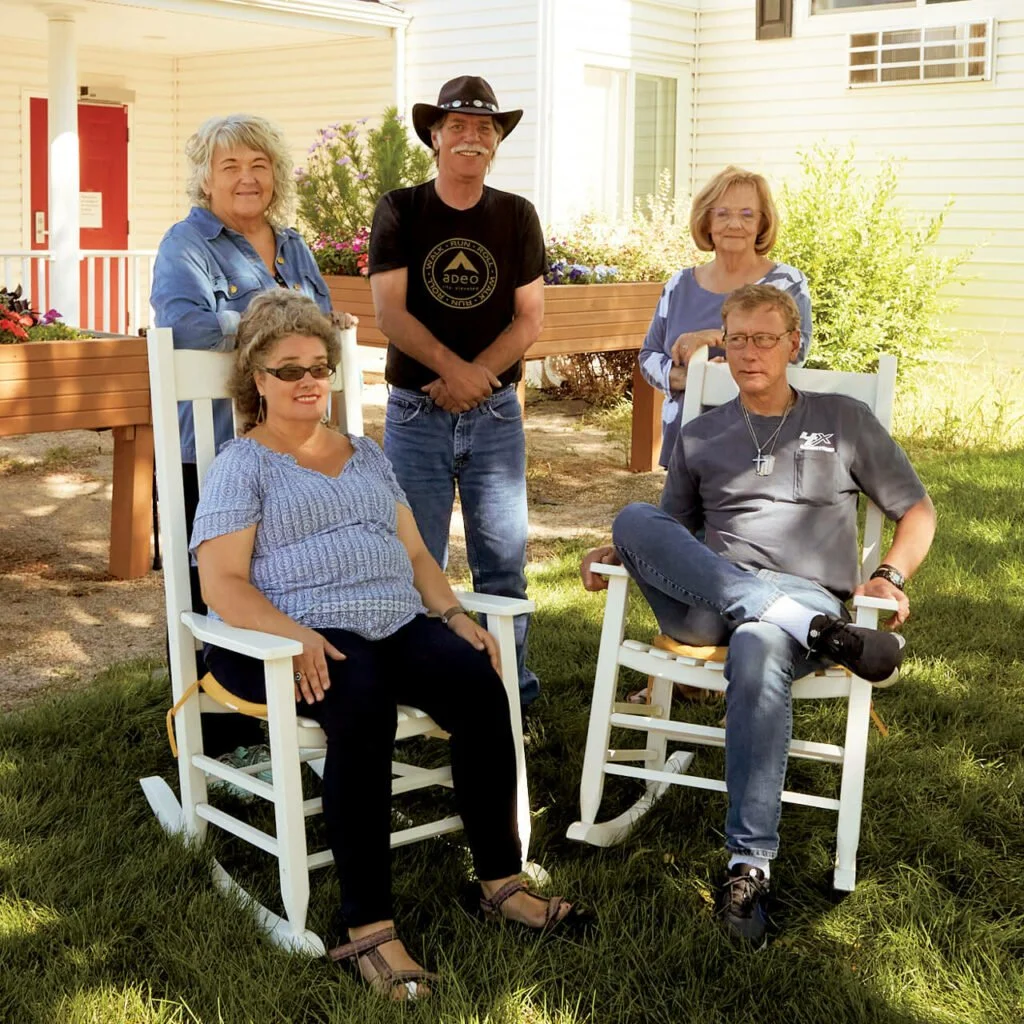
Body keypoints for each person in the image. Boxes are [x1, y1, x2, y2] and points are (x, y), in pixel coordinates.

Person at [190, 290, 580, 1001]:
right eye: (288, 370)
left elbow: (419, 557)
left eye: (318, 366)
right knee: (362, 705)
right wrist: (294, 633)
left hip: (394, 620)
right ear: (257, 380)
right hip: (295, 631)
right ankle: (368, 928)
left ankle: (501, 881)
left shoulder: (366, 454)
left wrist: (457, 617)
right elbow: (221, 583)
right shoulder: (242, 464)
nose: (308, 380)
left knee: (478, 680)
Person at [582, 284, 936, 948]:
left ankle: (749, 868)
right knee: (633, 517)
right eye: (736, 340)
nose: (748, 353)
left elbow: (918, 511)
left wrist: (888, 575)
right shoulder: (701, 432)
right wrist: (625, 546)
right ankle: (819, 633)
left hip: (795, 609)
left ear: (792, 344)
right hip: (708, 606)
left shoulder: (844, 419)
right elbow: (673, 534)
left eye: (764, 338)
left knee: (759, 644)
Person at [151, 113, 345, 766]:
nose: (246, 178)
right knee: (220, 589)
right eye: (230, 166)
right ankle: (219, 740)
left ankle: (291, 715)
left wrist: (282, 329)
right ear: (204, 178)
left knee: (285, 580)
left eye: (258, 165)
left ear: (276, 175)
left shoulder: (291, 245)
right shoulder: (186, 243)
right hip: (207, 453)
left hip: (291, 453)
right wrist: (274, 319)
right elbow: (186, 329)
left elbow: (323, 333)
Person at [368, 76, 545, 710]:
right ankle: (427, 698)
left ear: (496, 143)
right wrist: (453, 371)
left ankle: (511, 701)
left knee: (503, 564)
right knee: (417, 562)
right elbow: (389, 312)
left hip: (496, 413)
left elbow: (529, 318)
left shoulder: (517, 214)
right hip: (416, 412)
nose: (472, 137)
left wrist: (476, 379)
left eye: (485, 129)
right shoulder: (400, 208)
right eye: (459, 126)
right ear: (435, 137)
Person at [638, 166, 811, 467]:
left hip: (758, 447)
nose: (735, 224)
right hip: (685, 444)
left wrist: (713, 338)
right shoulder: (679, 285)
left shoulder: (786, 282)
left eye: (747, 214)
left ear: (762, 223)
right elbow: (649, 356)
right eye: (723, 214)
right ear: (706, 221)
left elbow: (796, 353)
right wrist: (692, 378)